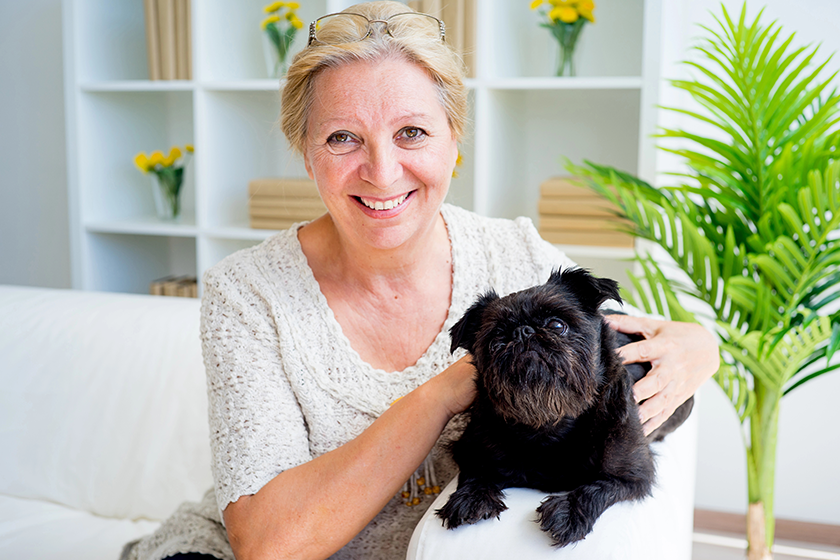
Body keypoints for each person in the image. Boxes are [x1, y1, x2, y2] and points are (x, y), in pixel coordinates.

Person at [123, 2, 719, 559]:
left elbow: (638, 358)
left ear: (453, 141)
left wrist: (701, 346)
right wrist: (440, 394)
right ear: (306, 154)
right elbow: (267, 543)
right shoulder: (246, 294)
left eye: (412, 132)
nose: (382, 172)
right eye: (342, 138)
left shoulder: (517, 254)